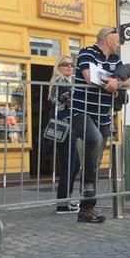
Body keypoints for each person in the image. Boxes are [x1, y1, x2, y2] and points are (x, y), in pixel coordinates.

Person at [72, 28, 130, 224]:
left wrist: (117, 82)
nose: (119, 44)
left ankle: (86, 209)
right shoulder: (86, 52)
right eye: (117, 40)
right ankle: (87, 195)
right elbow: (90, 77)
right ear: (108, 40)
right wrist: (113, 80)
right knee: (95, 140)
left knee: (95, 162)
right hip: (82, 111)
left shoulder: (116, 59)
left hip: (104, 116)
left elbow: (129, 81)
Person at [50, 55, 80, 214]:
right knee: (70, 166)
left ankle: (66, 200)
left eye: (72, 64)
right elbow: (71, 100)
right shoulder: (61, 81)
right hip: (65, 127)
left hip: (67, 127)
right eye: (65, 64)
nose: (69, 67)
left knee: (74, 165)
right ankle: (62, 204)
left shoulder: (65, 81)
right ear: (58, 67)